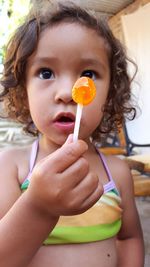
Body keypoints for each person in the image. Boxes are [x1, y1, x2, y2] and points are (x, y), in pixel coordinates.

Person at [0, 1, 144, 267]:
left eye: (88, 74)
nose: (67, 92)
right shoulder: (12, 167)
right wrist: (38, 207)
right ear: (22, 91)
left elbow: (129, 238)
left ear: (110, 94)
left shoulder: (117, 173)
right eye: (46, 73)